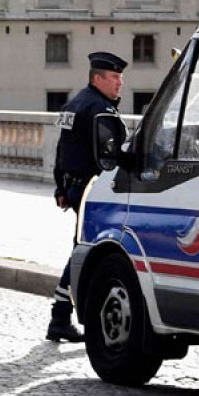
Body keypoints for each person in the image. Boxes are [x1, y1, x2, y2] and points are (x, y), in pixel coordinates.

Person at [46, 51, 129, 343]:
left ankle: (60, 314)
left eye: (121, 77)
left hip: (73, 186)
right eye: (115, 77)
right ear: (98, 78)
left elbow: (61, 150)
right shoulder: (100, 109)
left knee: (81, 247)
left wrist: (60, 187)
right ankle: (60, 315)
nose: (120, 83)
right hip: (94, 189)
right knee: (86, 249)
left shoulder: (75, 103)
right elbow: (117, 155)